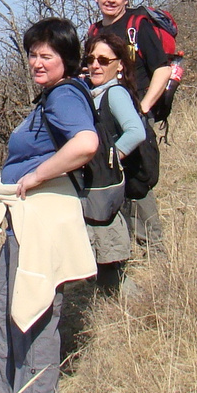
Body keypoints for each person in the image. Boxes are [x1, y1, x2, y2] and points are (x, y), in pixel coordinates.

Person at [0, 18, 98, 393]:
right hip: (25, 220)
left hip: (42, 218)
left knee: (32, 314)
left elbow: (85, 144)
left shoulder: (65, 96)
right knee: (0, 304)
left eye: (47, 55)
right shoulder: (50, 98)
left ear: (66, 60)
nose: (36, 62)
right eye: (33, 54)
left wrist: (35, 176)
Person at [89, 0, 170, 256]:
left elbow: (163, 67)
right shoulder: (95, 32)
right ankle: (125, 251)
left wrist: (145, 106)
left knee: (137, 181)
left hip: (134, 114)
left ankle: (155, 252)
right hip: (106, 117)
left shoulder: (138, 26)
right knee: (113, 178)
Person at [81, 32, 147, 294]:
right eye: (91, 59)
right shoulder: (93, 93)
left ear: (119, 64)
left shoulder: (115, 93)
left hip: (105, 188)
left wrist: (110, 158)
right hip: (95, 188)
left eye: (104, 60)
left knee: (109, 264)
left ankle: (134, 306)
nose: (96, 65)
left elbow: (136, 132)